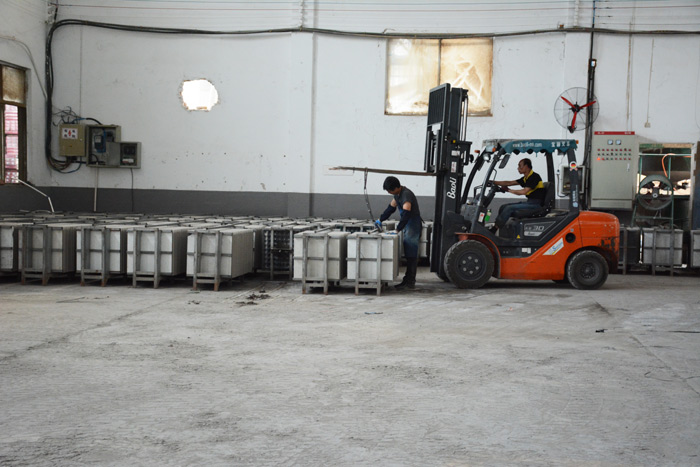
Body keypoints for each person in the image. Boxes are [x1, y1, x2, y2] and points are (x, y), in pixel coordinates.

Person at [375, 176, 422, 289]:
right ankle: (407, 280)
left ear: (396, 187)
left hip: (413, 225)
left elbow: (406, 214)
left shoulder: (406, 195)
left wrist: (397, 229)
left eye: (389, 190)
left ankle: (410, 281)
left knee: (411, 253)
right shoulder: (397, 195)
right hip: (408, 225)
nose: (389, 192)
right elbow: (390, 209)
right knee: (408, 252)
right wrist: (380, 219)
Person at [491, 158, 545, 233]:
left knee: (509, 208)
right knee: (503, 207)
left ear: (526, 166)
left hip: (535, 204)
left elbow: (524, 191)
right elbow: (509, 183)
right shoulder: (526, 178)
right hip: (530, 202)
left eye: (520, 166)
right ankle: (497, 227)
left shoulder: (534, 177)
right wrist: (494, 182)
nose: (518, 168)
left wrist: (508, 190)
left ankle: (493, 230)